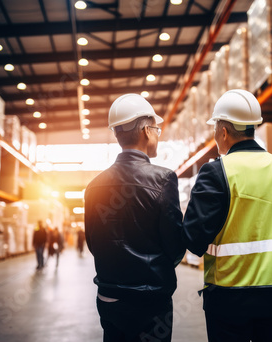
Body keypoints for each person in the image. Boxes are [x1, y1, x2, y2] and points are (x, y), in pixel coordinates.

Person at [182, 89, 272, 342]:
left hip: (229, 296)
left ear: (224, 131)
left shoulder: (217, 172)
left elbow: (194, 238)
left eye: (215, 128)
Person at [84, 93, 185, 342]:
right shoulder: (163, 179)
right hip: (150, 300)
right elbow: (175, 244)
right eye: (156, 129)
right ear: (146, 131)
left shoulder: (94, 186)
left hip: (109, 297)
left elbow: (93, 243)